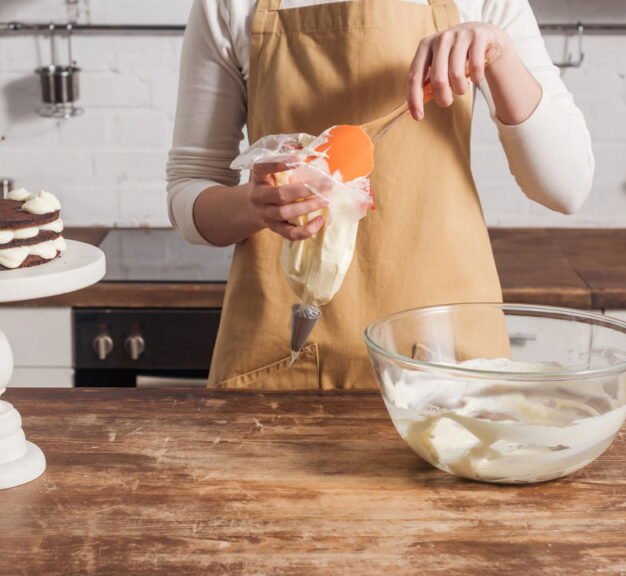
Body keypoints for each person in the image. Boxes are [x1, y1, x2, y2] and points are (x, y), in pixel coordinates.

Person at [166, 0, 594, 390]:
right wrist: (253, 204)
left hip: (446, 364)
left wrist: (499, 55)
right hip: (281, 363)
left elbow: (566, 188)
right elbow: (189, 190)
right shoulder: (228, 6)